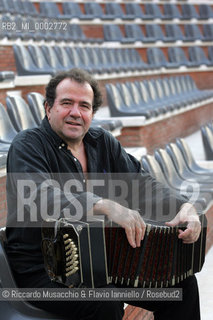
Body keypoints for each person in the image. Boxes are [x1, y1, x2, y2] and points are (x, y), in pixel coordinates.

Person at [5, 68, 202, 320]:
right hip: (42, 272)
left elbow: (143, 185)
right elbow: (40, 196)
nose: (75, 113)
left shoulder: (103, 142)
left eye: (84, 106)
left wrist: (184, 207)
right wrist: (105, 205)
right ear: (48, 108)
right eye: (67, 103)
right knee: (104, 300)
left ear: (92, 113)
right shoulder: (27, 145)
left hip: (101, 266)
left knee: (180, 286)